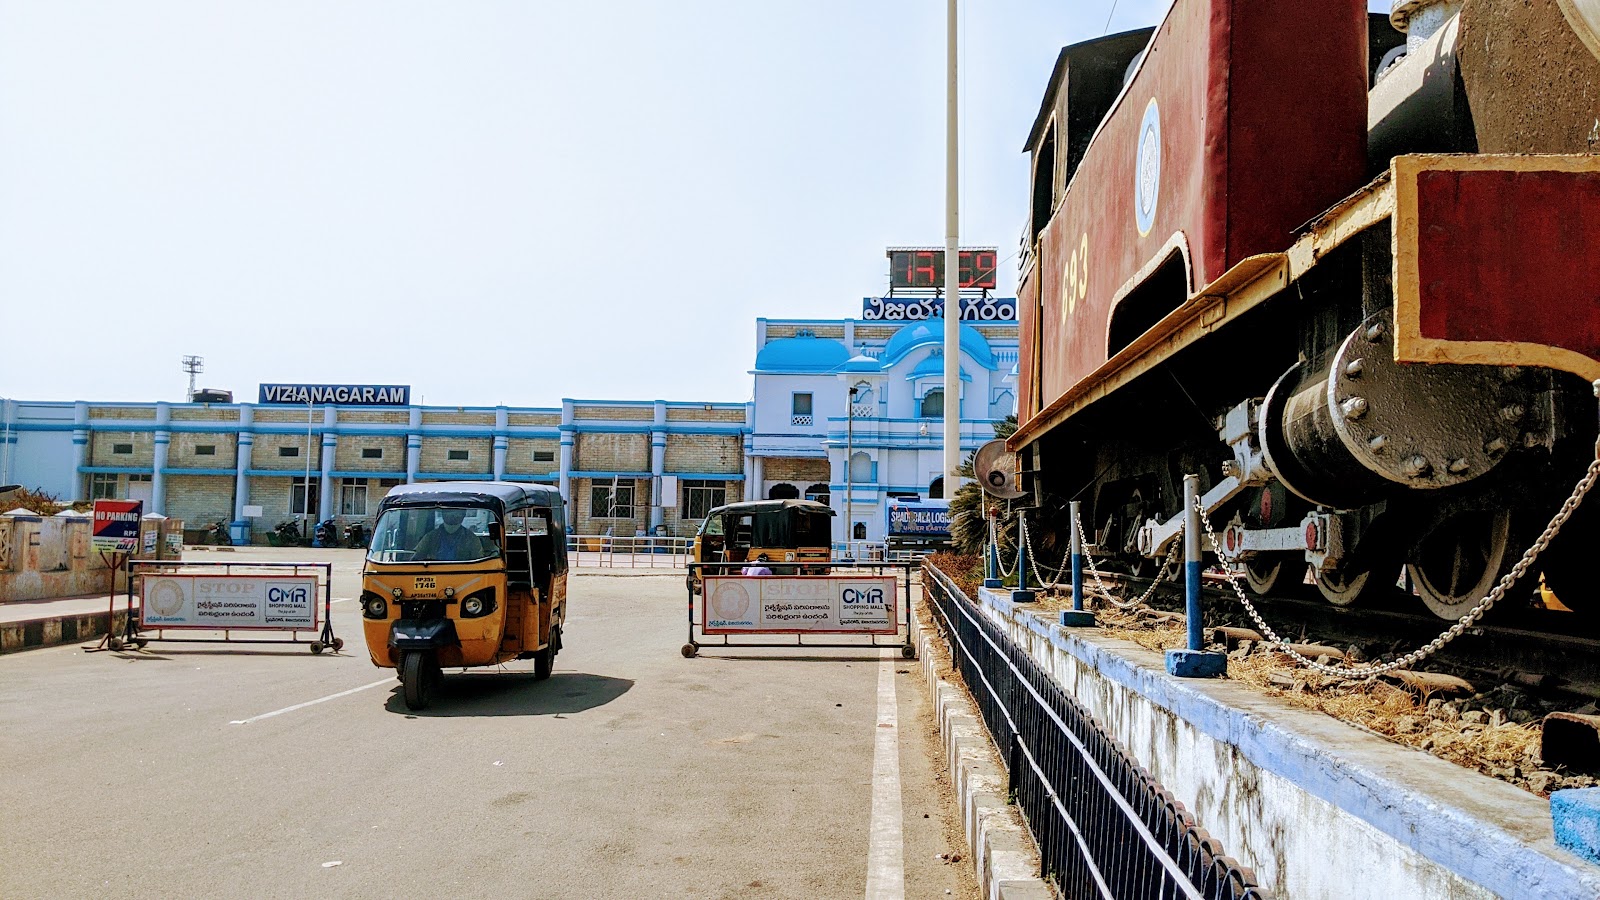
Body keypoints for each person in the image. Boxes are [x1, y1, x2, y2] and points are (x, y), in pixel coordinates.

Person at [413, 509, 491, 561]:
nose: (453, 516)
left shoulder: (472, 539)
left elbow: (479, 562)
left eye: (457, 514)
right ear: (443, 514)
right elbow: (416, 559)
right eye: (449, 513)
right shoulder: (430, 537)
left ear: (463, 515)